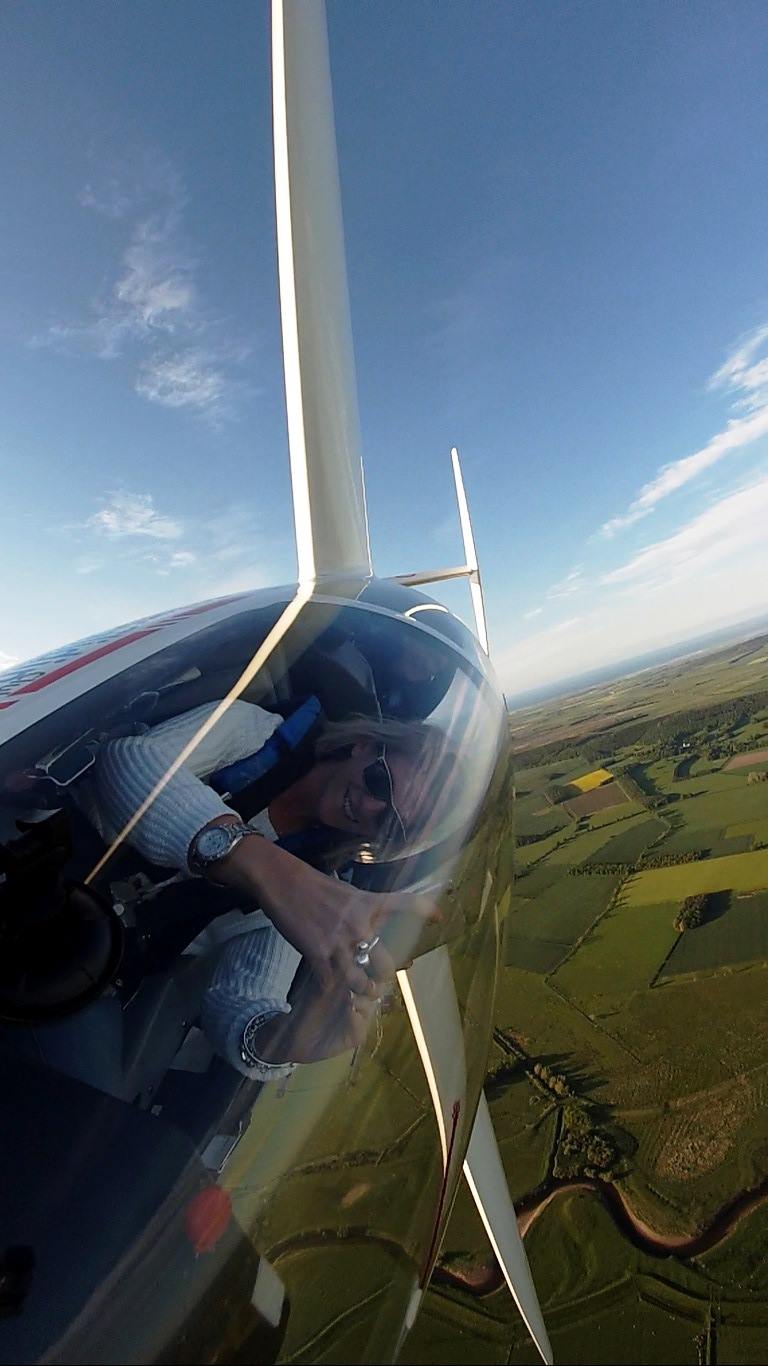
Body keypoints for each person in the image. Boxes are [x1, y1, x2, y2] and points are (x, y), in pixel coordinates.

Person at [88, 698, 447, 1083]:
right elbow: (124, 759)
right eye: (380, 783)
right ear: (363, 744)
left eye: (388, 823)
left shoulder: (317, 884)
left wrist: (284, 1040)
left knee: (90, 1096)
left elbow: (240, 1006)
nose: (369, 806)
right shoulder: (254, 735)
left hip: (90, 962)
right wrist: (259, 865)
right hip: (47, 852)